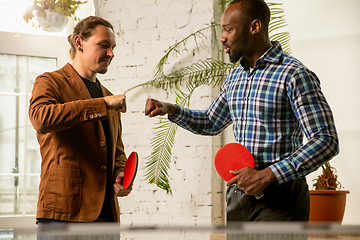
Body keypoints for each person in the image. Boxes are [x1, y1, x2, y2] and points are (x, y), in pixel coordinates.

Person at [145, 0, 339, 221]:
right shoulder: (235, 77)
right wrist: (170, 109)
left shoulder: (294, 75)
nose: (222, 37)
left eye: (229, 29)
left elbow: (326, 140)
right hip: (239, 196)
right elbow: (211, 121)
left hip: (281, 199)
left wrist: (268, 175)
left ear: (254, 27)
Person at [29, 16, 131, 224]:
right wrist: (103, 104)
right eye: (103, 45)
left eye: (112, 47)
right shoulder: (50, 82)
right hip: (64, 213)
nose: (111, 54)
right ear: (79, 43)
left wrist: (121, 173)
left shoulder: (108, 95)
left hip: (106, 216)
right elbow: (41, 119)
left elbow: (117, 150)